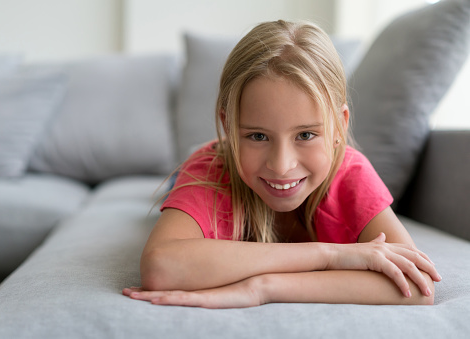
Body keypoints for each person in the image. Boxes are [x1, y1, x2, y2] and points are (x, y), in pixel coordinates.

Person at [122, 20, 441, 308]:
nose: (281, 165)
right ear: (229, 126)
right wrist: (328, 254)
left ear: (339, 127)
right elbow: (161, 267)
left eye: (305, 134)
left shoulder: (351, 174)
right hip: (205, 166)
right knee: (182, 178)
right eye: (258, 136)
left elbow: (415, 284)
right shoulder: (211, 171)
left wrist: (265, 287)